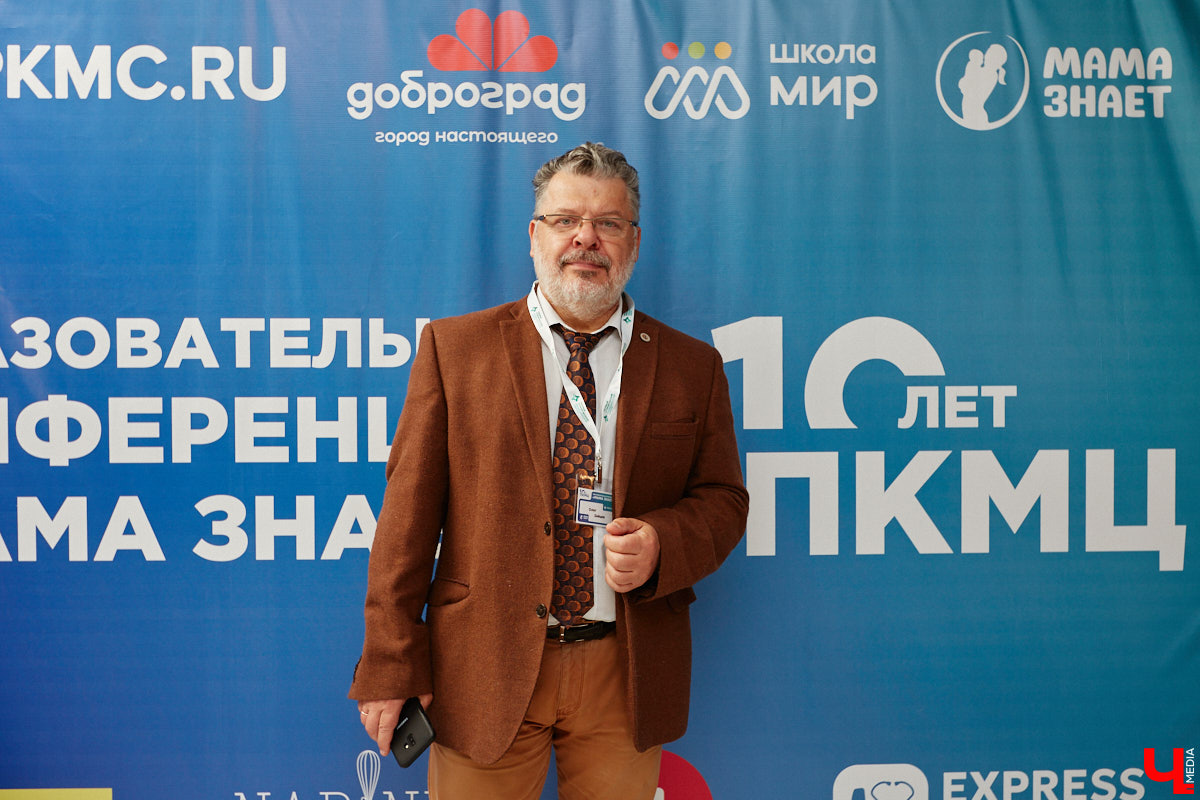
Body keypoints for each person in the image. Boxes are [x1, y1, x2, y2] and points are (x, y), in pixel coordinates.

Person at [349, 142, 749, 799]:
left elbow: (724, 500)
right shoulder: (456, 350)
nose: (586, 238)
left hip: (624, 669)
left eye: (608, 223)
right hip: (483, 666)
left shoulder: (690, 367)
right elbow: (405, 525)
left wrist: (662, 543)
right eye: (566, 220)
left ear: (634, 242)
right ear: (535, 236)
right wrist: (390, 663)